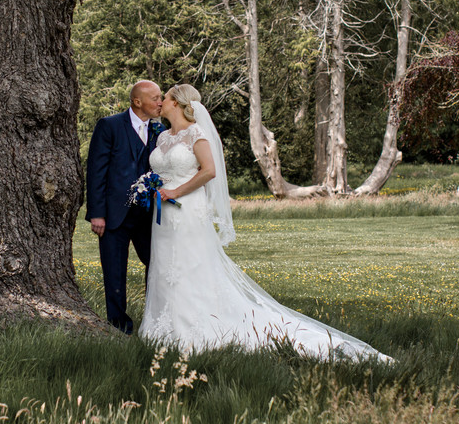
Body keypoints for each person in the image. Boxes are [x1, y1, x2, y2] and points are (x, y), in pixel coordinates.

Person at [138, 84, 391, 362]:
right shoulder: (162, 138)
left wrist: (176, 191)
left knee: (189, 267)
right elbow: (162, 171)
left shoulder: (196, 134)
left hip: (187, 211)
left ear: (176, 102)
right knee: (164, 267)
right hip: (162, 215)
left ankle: (194, 327)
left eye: (165, 97)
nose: (160, 102)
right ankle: (162, 327)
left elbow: (209, 171)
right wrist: (150, 187)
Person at [86, 80, 165, 334]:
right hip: (112, 215)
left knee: (157, 265)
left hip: (148, 215)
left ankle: (153, 321)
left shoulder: (160, 130)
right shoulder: (109, 126)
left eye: (160, 98)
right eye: (155, 98)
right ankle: (119, 327)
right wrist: (97, 213)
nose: (160, 102)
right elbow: (96, 172)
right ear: (137, 101)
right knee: (114, 271)